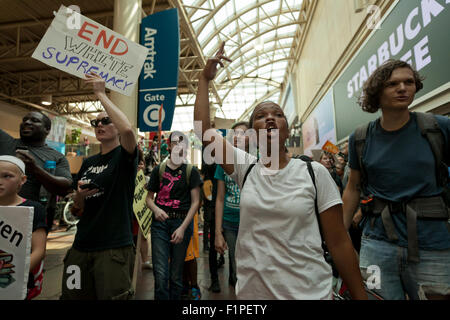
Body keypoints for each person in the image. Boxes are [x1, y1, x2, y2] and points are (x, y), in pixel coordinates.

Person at [194, 42, 367, 300]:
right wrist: (204, 80)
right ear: (253, 133)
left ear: (287, 130)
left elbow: (339, 242)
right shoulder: (246, 168)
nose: (271, 118)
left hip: (310, 293)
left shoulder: (314, 173)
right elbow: (204, 133)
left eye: (278, 114)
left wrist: (360, 296)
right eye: (262, 116)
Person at [342, 60, 450, 300]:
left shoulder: (438, 127)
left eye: (409, 82)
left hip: (433, 245)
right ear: (377, 92)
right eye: (393, 84)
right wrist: (339, 235)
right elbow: (353, 188)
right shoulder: (360, 138)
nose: (403, 88)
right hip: (376, 245)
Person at [60, 72, 138, 300]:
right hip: (81, 247)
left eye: (106, 121)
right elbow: (77, 211)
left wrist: (101, 94)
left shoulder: (124, 158)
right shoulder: (88, 162)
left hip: (112, 248)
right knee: (72, 296)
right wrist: (80, 197)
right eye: (96, 122)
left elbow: (127, 131)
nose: (99, 125)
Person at [145, 131, 201, 300]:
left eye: (183, 143)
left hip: (181, 223)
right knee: (160, 275)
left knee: (176, 276)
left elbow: (195, 202)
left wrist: (183, 228)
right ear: (169, 146)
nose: (179, 146)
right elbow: (148, 199)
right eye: (175, 142)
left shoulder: (191, 171)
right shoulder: (159, 170)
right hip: (160, 225)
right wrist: (156, 209)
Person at [0, 111, 73, 230]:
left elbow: (65, 188)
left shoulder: (57, 157)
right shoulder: (4, 142)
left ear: (47, 129)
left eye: (34, 120)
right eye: (25, 120)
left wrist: (35, 169)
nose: (27, 122)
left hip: (33, 220)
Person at [0, 156, 47, 300]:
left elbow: (39, 250)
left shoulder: (34, 208)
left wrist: (17, 272)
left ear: (23, 180)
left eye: (7, 176)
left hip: (17, 282)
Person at [214, 121, 249, 289]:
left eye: (242, 134)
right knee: (236, 268)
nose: (237, 138)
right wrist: (217, 232)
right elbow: (220, 198)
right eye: (234, 134)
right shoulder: (224, 163)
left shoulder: (258, 160)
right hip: (230, 223)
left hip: (252, 224)